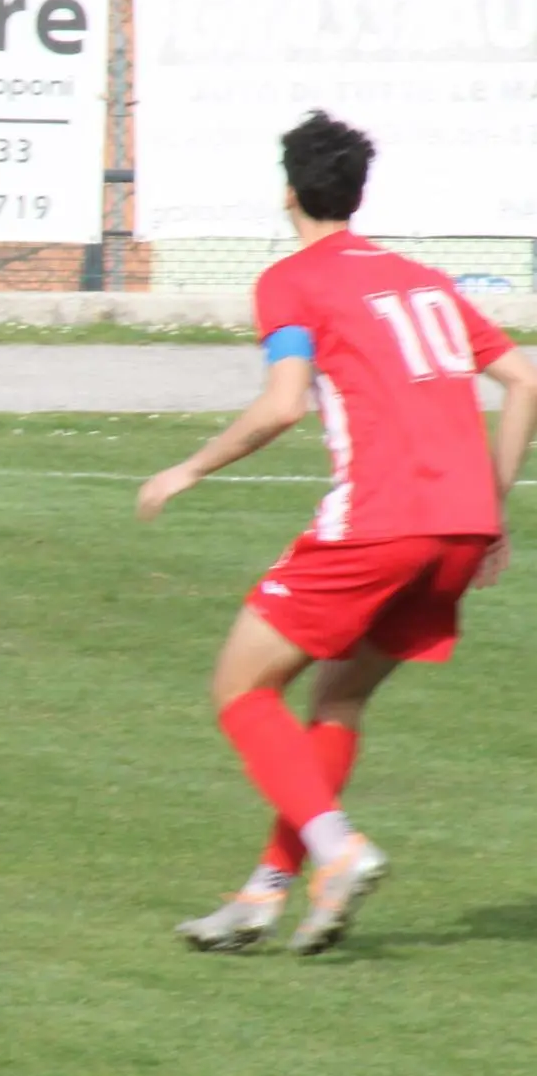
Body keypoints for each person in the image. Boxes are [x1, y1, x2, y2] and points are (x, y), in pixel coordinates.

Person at [137, 110, 537, 956]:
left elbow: (283, 404)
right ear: (357, 191)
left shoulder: (292, 280)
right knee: (340, 696)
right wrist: (493, 506)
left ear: (289, 190)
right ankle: (266, 892)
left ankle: (339, 847)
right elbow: (522, 379)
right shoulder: (423, 278)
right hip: (460, 526)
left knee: (242, 688)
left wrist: (187, 469)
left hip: (380, 520)